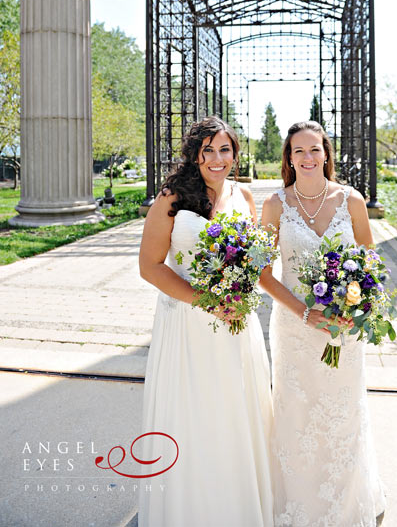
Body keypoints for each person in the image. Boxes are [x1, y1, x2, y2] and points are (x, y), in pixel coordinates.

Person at [138, 116, 273, 527]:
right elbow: (150, 267)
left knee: (233, 415)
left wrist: (239, 293)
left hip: (235, 326)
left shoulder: (244, 197)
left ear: (235, 153)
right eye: (207, 150)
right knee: (193, 417)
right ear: (194, 154)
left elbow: (254, 262)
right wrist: (207, 300)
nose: (217, 159)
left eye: (225, 149)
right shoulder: (172, 197)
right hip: (187, 327)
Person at [260, 120, 386, 527]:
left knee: (342, 411)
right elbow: (262, 275)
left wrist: (354, 307)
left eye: (315, 149)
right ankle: (297, 506)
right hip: (294, 328)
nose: (308, 157)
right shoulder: (275, 205)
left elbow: (371, 261)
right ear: (289, 159)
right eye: (299, 151)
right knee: (296, 413)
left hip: (343, 329)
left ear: (327, 154)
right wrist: (302, 310)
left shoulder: (351, 200)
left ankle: (346, 506)